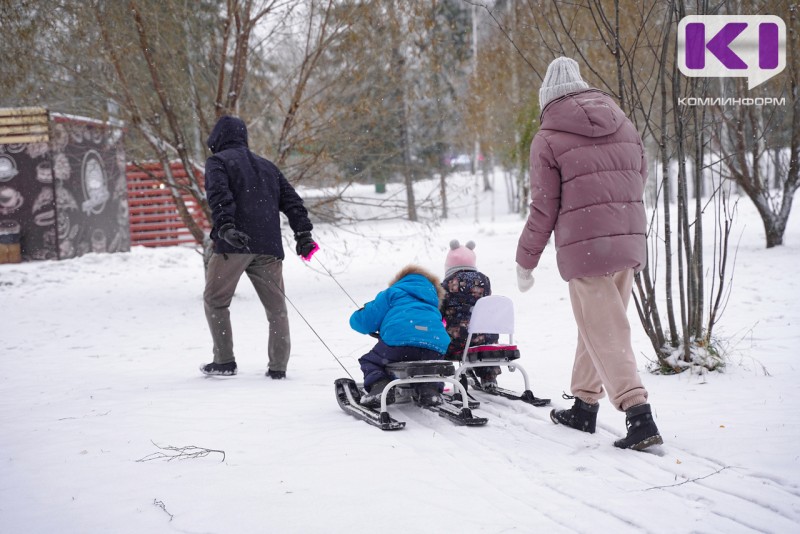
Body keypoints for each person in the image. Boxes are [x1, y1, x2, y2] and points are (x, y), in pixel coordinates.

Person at [515, 57, 662, 451]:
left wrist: (526, 260)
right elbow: (638, 175)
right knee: (599, 326)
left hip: (586, 247)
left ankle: (638, 413)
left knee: (605, 329)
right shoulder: (623, 123)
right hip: (627, 240)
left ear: (547, 99)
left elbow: (544, 207)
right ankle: (583, 405)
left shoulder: (547, 137)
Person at [200, 115, 318, 379]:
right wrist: (303, 235)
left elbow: (220, 196)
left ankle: (224, 361)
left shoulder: (218, 162)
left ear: (217, 137)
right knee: (277, 309)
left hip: (233, 245)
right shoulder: (268, 167)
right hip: (268, 246)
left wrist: (227, 227)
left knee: (215, 300)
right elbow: (293, 202)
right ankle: (278, 367)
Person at [350, 264, 450, 408]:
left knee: (371, 361)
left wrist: (360, 315)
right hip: (434, 345)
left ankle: (380, 385)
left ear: (401, 280)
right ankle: (429, 388)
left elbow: (363, 322)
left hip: (399, 341)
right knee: (430, 366)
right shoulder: (432, 302)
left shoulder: (392, 293)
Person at [440, 239, 500, 389]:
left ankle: (441, 378)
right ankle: (489, 376)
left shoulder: (447, 284)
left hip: (458, 340)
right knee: (479, 338)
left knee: (445, 340)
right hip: (487, 338)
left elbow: (439, 312)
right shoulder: (485, 281)